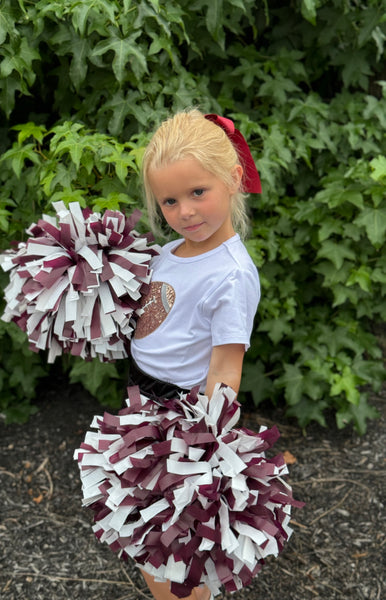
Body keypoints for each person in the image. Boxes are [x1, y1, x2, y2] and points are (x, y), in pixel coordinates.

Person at [128, 109, 262, 600]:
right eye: (169, 200)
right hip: (141, 408)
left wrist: (207, 444)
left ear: (232, 179)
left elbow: (226, 367)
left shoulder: (231, 275)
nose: (185, 211)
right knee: (144, 528)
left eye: (197, 192)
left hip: (181, 421)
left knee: (179, 543)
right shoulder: (168, 254)